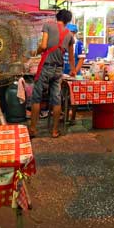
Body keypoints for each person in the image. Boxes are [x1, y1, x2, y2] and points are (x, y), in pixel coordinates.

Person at [29, 9, 75, 138]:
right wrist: (73, 70)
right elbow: (71, 57)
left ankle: (33, 129)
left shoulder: (48, 25)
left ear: (57, 17)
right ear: (68, 21)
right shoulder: (70, 35)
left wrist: (35, 53)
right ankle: (55, 131)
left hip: (46, 67)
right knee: (56, 99)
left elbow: (43, 46)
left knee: (36, 97)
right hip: (58, 70)